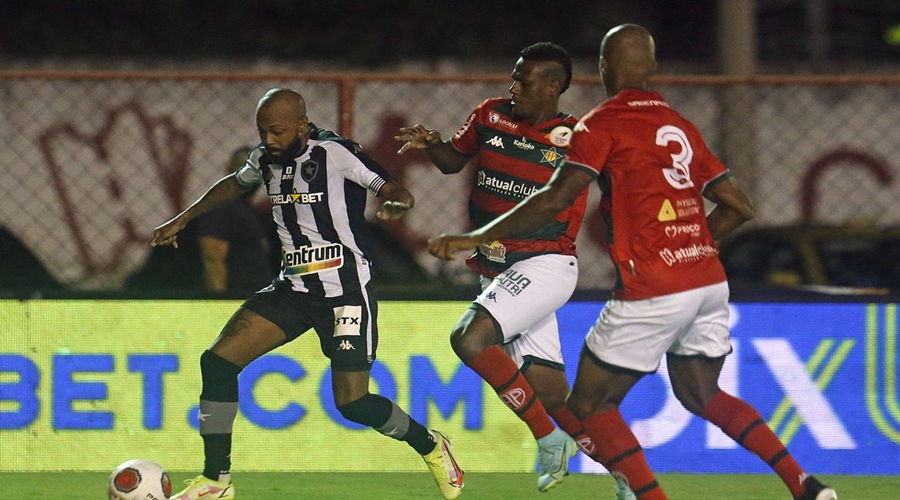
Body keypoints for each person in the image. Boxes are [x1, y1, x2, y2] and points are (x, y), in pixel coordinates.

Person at [427, 25, 837, 500]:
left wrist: (472, 237)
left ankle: (637, 489)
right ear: (655, 68)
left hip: (650, 285)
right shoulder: (678, 124)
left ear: (603, 69)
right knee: (705, 395)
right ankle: (805, 484)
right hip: (705, 278)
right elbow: (739, 206)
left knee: (589, 403)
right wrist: (687, 243)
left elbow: (555, 196)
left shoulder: (598, 125)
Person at [152, 88, 464, 500]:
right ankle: (216, 480)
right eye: (262, 131)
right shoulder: (264, 159)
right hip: (293, 288)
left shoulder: (334, 153)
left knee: (352, 403)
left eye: (278, 131)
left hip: (345, 293)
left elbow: (391, 188)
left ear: (301, 125)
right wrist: (183, 219)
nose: (269, 140)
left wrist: (395, 204)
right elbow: (234, 184)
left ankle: (431, 445)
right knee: (217, 363)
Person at [395, 42, 632, 498]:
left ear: (553, 87)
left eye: (524, 81)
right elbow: (452, 163)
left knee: (469, 338)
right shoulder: (489, 114)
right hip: (497, 268)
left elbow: (616, 193)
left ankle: (548, 439)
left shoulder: (577, 136)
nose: (513, 87)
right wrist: (432, 145)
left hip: (545, 262)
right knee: (551, 394)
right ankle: (627, 477)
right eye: (514, 77)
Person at [194, 146, 274, 293]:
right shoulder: (222, 206)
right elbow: (212, 258)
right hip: (233, 303)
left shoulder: (247, 209)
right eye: (244, 167)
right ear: (229, 169)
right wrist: (218, 305)